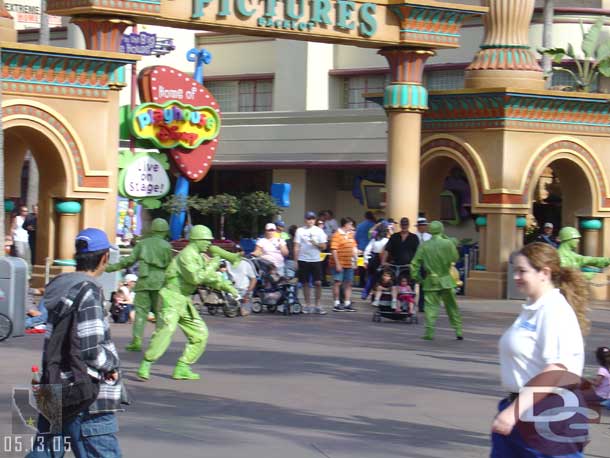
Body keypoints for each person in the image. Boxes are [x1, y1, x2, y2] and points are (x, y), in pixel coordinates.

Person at [26, 227, 127, 457]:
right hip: (84, 392)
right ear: (104, 257)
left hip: (52, 384)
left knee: (45, 452)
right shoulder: (88, 291)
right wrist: (110, 365)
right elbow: (90, 348)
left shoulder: (59, 287)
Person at [491, 242, 590, 457]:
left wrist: (512, 412)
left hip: (551, 415)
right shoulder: (532, 308)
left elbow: (556, 370)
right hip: (522, 410)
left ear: (544, 273)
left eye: (522, 271)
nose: (515, 276)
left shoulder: (555, 310)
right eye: (515, 270)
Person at [137, 225, 238, 381]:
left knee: (200, 334)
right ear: (197, 240)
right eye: (206, 241)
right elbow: (196, 278)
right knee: (166, 330)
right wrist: (214, 262)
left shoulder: (198, 256)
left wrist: (228, 287)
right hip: (171, 297)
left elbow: (209, 278)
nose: (208, 244)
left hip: (183, 299)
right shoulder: (187, 255)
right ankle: (146, 363)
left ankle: (183, 367)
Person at [106, 218, 173, 352]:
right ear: (165, 231)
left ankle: (136, 340)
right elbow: (169, 266)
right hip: (160, 281)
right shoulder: (166, 246)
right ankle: (157, 341)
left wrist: (111, 268)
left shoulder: (143, 243)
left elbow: (129, 261)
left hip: (144, 280)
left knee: (140, 313)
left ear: (152, 229)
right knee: (159, 313)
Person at [410, 221, 463, 340]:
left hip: (430, 280)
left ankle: (429, 332)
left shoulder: (424, 245)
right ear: (441, 229)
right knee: (452, 306)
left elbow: (414, 264)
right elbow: (455, 258)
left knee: (430, 307)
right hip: (446, 279)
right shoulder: (448, 243)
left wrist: (417, 278)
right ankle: (458, 329)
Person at [294, 211, 328, 315]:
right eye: (309, 219)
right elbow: (296, 246)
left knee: (318, 283)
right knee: (305, 283)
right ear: (305, 220)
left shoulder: (319, 231)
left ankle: (318, 305)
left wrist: (316, 243)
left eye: (312, 219)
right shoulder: (300, 231)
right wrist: (295, 261)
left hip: (316, 260)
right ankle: (308, 305)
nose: (311, 221)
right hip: (303, 259)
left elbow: (324, 246)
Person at [330, 217, 358, 312]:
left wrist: (355, 261)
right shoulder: (336, 235)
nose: (351, 226)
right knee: (337, 282)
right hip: (339, 263)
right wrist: (337, 264)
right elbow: (334, 250)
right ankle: (336, 303)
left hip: (349, 263)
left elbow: (353, 248)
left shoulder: (350, 235)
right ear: (345, 224)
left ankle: (347, 303)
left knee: (349, 283)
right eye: (350, 224)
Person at [362, 224, 389, 299]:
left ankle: (366, 292)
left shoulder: (373, 240)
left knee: (371, 278)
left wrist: (366, 260)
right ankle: (377, 296)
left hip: (373, 260)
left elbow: (367, 250)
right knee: (380, 279)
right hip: (382, 260)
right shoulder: (387, 240)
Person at [227, 250, 258, 317]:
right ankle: (235, 306)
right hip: (230, 290)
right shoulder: (225, 262)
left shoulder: (246, 263)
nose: (236, 253)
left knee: (244, 313)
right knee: (231, 311)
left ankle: (240, 306)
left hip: (243, 291)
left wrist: (248, 293)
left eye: (239, 251)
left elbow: (254, 279)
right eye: (235, 251)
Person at [355, 211, 376, 287]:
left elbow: (356, 237)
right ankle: (369, 283)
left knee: (361, 267)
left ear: (365, 216)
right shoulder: (374, 225)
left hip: (361, 248)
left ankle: (361, 282)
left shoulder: (359, 225)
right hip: (370, 249)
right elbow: (374, 237)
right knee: (370, 267)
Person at [414, 216, 431, 312]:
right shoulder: (414, 236)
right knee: (412, 282)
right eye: (421, 225)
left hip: (425, 263)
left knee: (424, 284)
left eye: (424, 225)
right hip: (416, 262)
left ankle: (422, 305)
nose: (423, 227)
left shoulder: (429, 237)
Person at [11, 205, 31, 270]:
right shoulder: (17, 218)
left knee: (27, 257)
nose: (25, 212)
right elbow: (12, 228)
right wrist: (12, 238)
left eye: (26, 211)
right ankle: (20, 270)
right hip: (18, 239)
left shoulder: (29, 219)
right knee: (20, 255)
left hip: (27, 239)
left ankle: (28, 273)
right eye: (23, 211)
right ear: (20, 211)